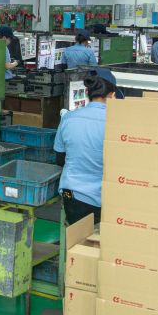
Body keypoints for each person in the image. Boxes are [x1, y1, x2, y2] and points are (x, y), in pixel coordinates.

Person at [54, 68, 123, 225]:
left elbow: (59, 159)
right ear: (112, 95)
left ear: (87, 93)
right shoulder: (117, 123)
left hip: (71, 194)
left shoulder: (68, 118)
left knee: (77, 242)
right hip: (105, 197)